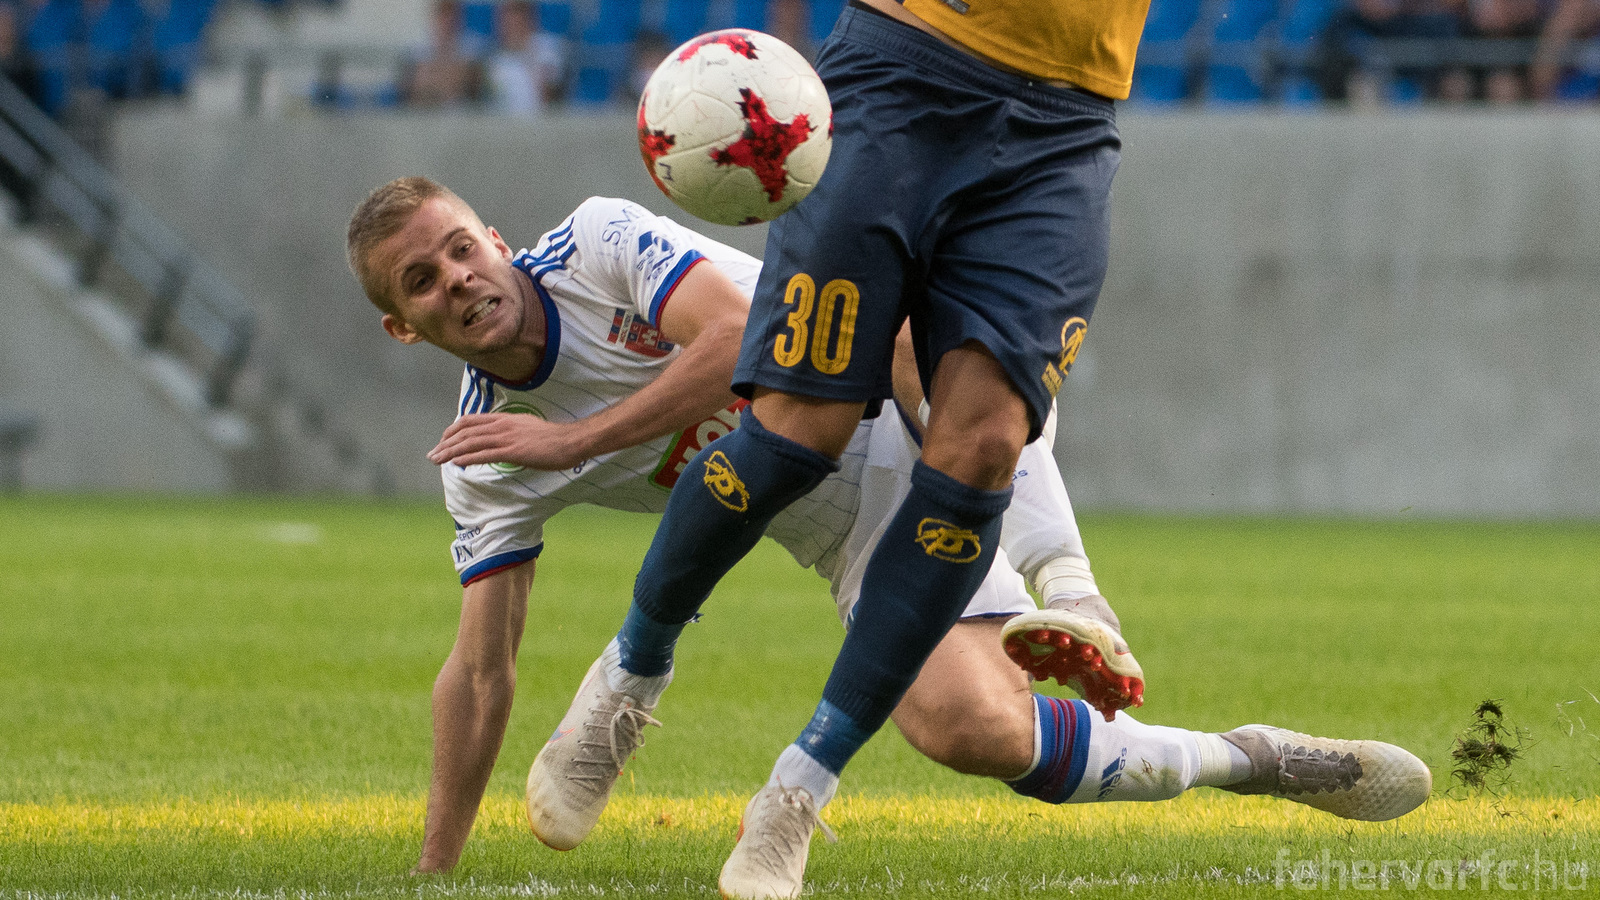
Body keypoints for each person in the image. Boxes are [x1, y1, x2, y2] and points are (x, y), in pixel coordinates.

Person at [344, 178, 1433, 879]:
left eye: (460, 248)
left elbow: (736, 340)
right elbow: (478, 671)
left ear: (493, 236)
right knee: (972, 732)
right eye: (422, 283)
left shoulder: (595, 242)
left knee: (911, 338)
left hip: (903, 393)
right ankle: (1249, 759)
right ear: (401, 330)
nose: (459, 281)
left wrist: (576, 442)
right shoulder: (484, 459)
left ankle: (1073, 593)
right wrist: (436, 871)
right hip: (850, 528)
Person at [532, 1, 1188, 897]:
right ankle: (631, 673)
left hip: (1064, 123)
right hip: (906, 71)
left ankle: (801, 786)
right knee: (796, 432)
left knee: (987, 443)